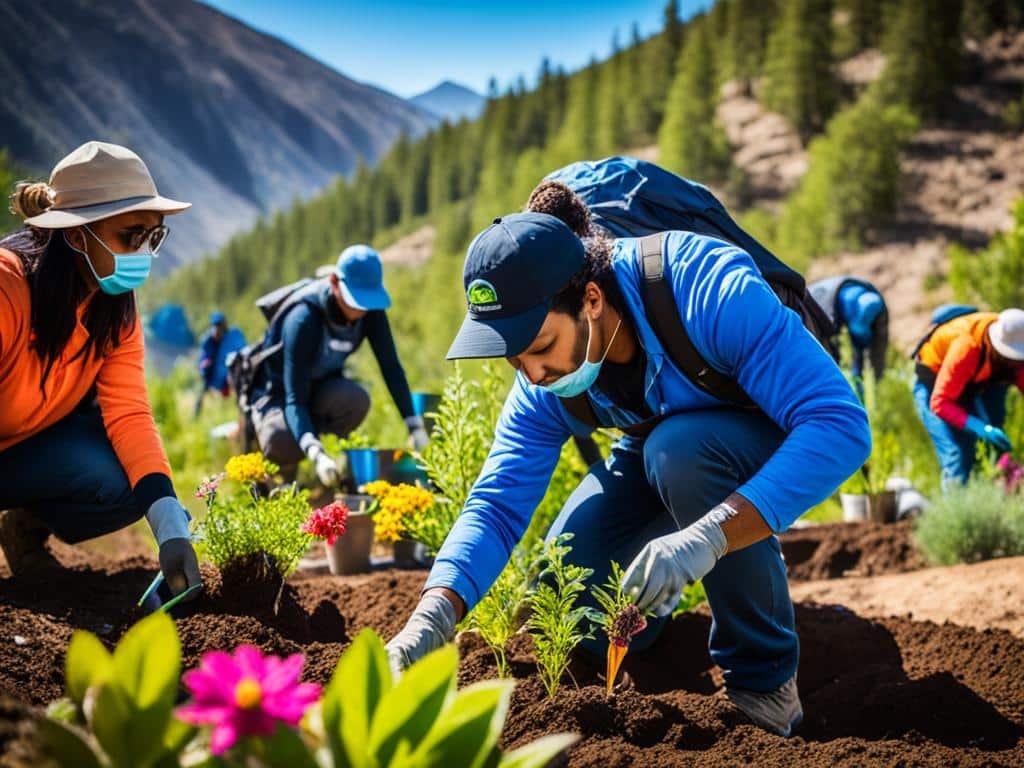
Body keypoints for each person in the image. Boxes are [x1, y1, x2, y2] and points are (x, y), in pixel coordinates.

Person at [384, 182, 870, 736]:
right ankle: (643, 637)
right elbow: (496, 505)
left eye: (541, 347)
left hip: (767, 433)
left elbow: (841, 426)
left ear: (591, 300)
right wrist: (434, 615)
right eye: (513, 359)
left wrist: (708, 538)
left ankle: (764, 682)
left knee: (681, 451)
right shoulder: (546, 384)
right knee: (567, 576)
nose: (533, 375)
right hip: (659, 446)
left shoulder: (705, 288)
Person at [0, 140, 200, 600]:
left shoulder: (116, 312)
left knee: (131, 483)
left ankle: (23, 529)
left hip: (25, 454)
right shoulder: (9, 287)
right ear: (76, 234)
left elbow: (129, 415)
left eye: (154, 236)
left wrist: (171, 529)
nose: (145, 251)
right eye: (132, 235)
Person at [248, 245, 428, 486]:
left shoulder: (369, 313)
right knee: (280, 439)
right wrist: (315, 452)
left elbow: (391, 368)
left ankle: (327, 462)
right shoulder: (303, 320)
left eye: (366, 303)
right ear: (334, 283)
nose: (360, 311)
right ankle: (279, 475)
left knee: (356, 400)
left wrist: (413, 424)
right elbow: (295, 400)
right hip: (281, 397)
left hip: (320, 388)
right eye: (355, 302)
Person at [913, 307, 1024, 487]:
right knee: (956, 453)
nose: (1018, 364)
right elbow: (939, 403)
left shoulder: (1016, 339)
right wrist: (980, 427)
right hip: (933, 387)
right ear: (1000, 350)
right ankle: (953, 512)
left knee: (991, 450)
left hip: (973, 385)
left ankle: (992, 500)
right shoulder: (967, 348)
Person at [810, 275, 888, 383]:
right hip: (831, 308)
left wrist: (875, 378)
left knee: (860, 340)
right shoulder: (819, 306)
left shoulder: (875, 309)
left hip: (850, 306)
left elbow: (879, 345)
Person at [195, 310, 244, 417]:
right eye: (216, 326)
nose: (218, 329)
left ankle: (240, 415)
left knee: (238, 393)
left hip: (231, 374)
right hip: (212, 376)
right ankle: (196, 416)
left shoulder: (232, 337)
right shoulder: (208, 341)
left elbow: (241, 350)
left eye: (220, 325)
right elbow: (203, 359)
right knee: (201, 395)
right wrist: (205, 366)